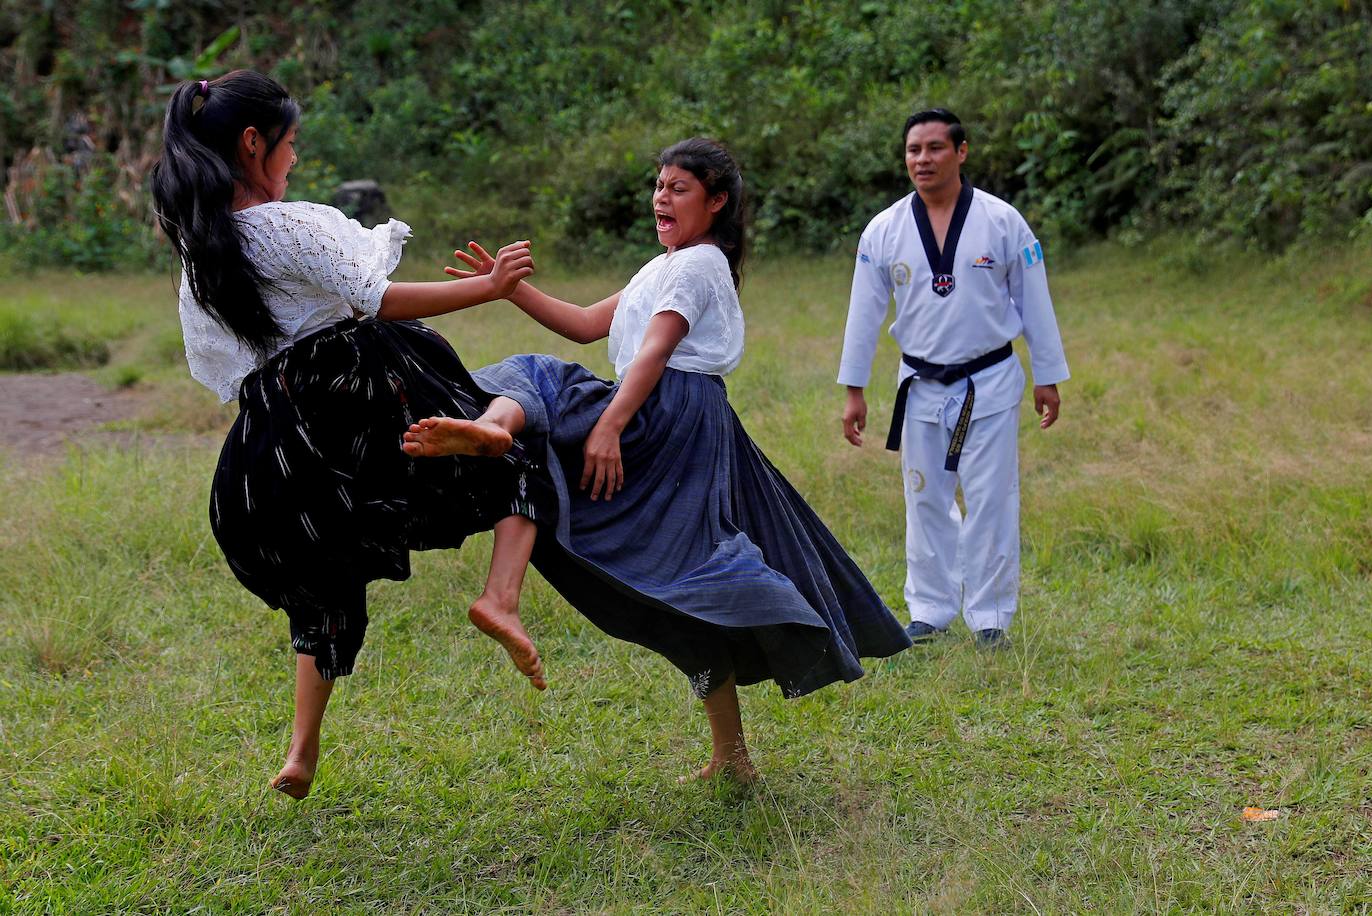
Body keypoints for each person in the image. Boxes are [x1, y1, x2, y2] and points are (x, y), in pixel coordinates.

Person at [404, 138, 912, 783]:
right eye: (659, 186)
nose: (661, 198)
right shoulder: (664, 264)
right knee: (679, 570)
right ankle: (732, 755)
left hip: (669, 412)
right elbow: (588, 324)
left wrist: (611, 425)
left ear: (717, 202)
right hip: (666, 411)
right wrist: (506, 290)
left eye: (679, 189)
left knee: (543, 385)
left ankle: (494, 434)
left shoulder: (702, 264)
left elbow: (656, 350)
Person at [150, 70, 552, 800]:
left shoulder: (200, 255)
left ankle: (302, 751)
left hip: (279, 427)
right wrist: (488, 288)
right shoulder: (285, 225)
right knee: (516, 455)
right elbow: (378, 299)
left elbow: (228, 371)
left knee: (324, 577)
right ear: (252, 145)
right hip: (359, 386)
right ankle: (500, 596)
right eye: (290, 144)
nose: (294, 160)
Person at [837, 108, 1069, 650]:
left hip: (988, 380)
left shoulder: (1002, 221)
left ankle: (990, 618)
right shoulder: (885, 229)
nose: (923, 159)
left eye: (936, 148)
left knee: (991, 499)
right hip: (918, 384)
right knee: (924, 499)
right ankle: (931, 610)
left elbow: (1035, 302)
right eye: (914, 150)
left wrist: (1048, 376)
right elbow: (864, 313)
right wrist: (853, 389)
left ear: (961, 152)